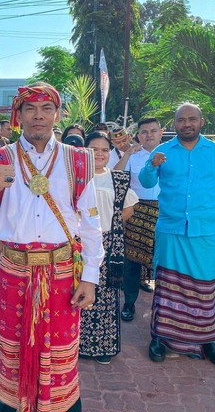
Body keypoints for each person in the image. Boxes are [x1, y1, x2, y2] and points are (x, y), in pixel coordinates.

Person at [0, 82, 104, 412]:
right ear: (18, 116)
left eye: (46, 109)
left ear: (57, 115)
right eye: (30, 109)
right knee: (13, 349)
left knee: (60, 350)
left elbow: (90, 225)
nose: (38, 116)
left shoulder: (79, 161)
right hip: (15, 270)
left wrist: (90, 277)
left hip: (61, 274)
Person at [139, 103, 215, 368]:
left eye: (192, 119)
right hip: (170, 230)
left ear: (201, 122)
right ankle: (160, 337)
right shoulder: (162, 151)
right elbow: (146, 182)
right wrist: (151, 166)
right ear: (174, 125)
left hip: (204, 233)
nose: (187, 124)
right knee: (167, 288)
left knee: (204, 288)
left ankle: (208, 341)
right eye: (181, 120)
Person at [79, 132, 138, 365]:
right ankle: (76, 344)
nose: (100, 154)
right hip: (79, 244)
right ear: (85, 151)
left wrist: (108, 227)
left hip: (109, 243)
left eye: (104, 150)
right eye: (94, 149)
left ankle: (103, 346)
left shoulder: (118, 179)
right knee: (77, 291)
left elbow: (128, 209)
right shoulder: (77, 178)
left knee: (105, 295)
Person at [114, 118, 164, 321]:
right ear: (138, 135)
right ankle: (129, 304)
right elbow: (116, 176)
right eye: (144, 132)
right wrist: (127, 154)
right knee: (132, 261)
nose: (149, 135)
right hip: (137, 211)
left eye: (153, 131)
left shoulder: (173, 154)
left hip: (165, 212)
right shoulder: (133, 157)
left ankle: (163, 308)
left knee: (163, 263)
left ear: (161, 132)